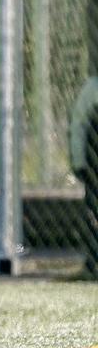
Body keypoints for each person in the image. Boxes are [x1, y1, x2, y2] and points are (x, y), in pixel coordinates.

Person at [69, 76, 98, 279]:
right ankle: (92, 263)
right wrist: (79, 162)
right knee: (93, 215)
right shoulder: (93, 88)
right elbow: (79, 124)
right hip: (95, 169)